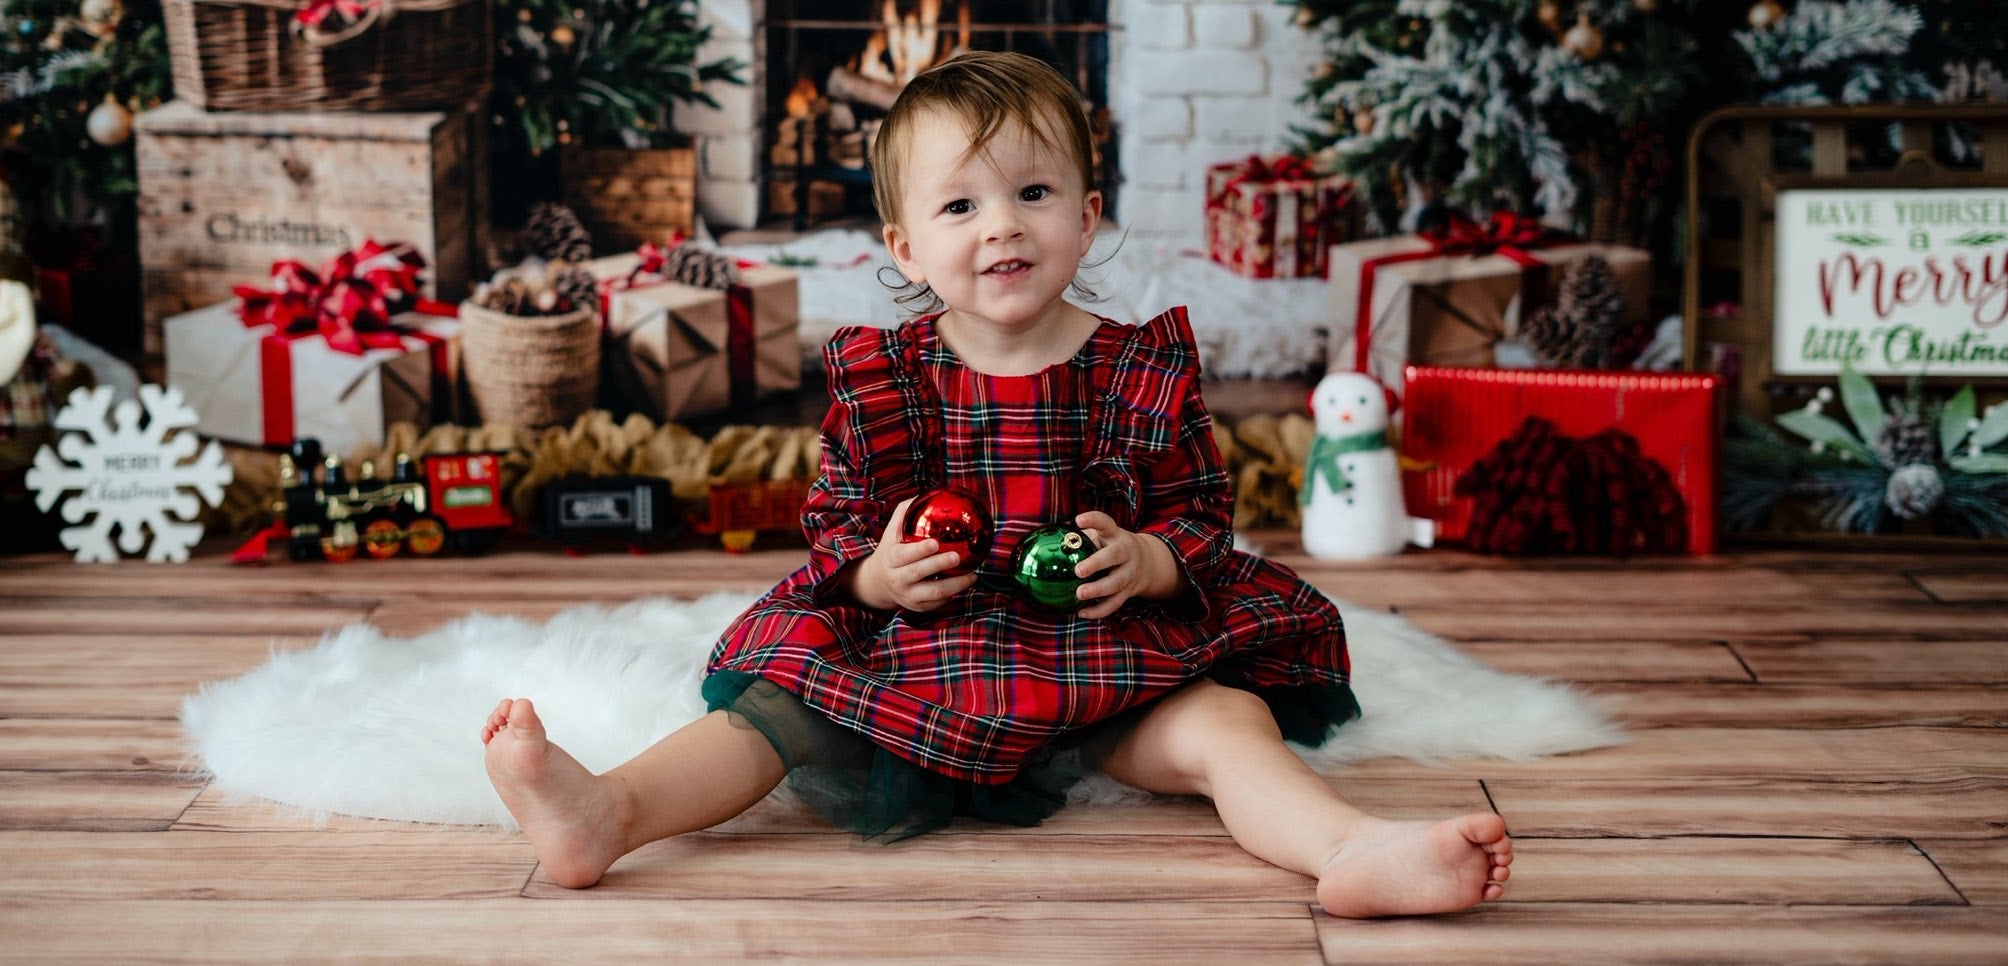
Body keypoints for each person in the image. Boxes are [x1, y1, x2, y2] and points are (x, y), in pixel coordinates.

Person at [482, 50, 1512, 916]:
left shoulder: (1134, 368)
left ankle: (1346, 847)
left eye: (1032, 193)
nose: (1001, 226)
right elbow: (838, 517)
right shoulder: (891, 378)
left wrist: (1148, 560)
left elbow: (1200, 510)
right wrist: (879, 576)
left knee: (1222, 724)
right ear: (906, 245)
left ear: (1085, 213)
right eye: (960, 204)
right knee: (773, 710)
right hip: (924, 642)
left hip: (1107, 653)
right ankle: (605, 810)